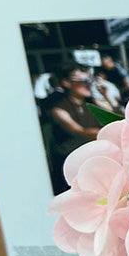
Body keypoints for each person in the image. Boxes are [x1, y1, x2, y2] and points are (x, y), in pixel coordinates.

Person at [48, 62, 102, 193]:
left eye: (89, 80)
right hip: (71, 167)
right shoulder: (59, 109)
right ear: (67, 83)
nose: (87, 84)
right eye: (82, 81)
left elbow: (117, 115)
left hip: (93, 160)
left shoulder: (93, 104)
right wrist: (107, 133)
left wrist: (104, 96)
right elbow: (78, 131)